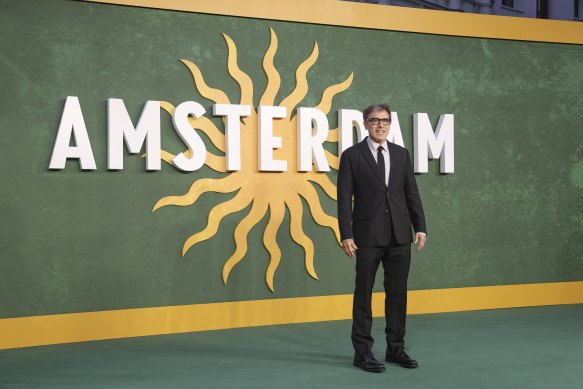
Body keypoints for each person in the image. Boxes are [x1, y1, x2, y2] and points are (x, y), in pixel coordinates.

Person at [337, 103, 427, 373]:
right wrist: (346, 233)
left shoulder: (401, 154)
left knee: (397, 294)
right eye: (375, 120)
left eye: (385, 120)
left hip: (400, 235)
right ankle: (362, 352)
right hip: (367, 235)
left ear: (390, 124)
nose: (380, 125)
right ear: (365, 123)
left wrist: (420, 226)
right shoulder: (352, 155)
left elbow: (411, 192)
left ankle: (395, 348)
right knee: (363, 294)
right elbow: (344, 199)